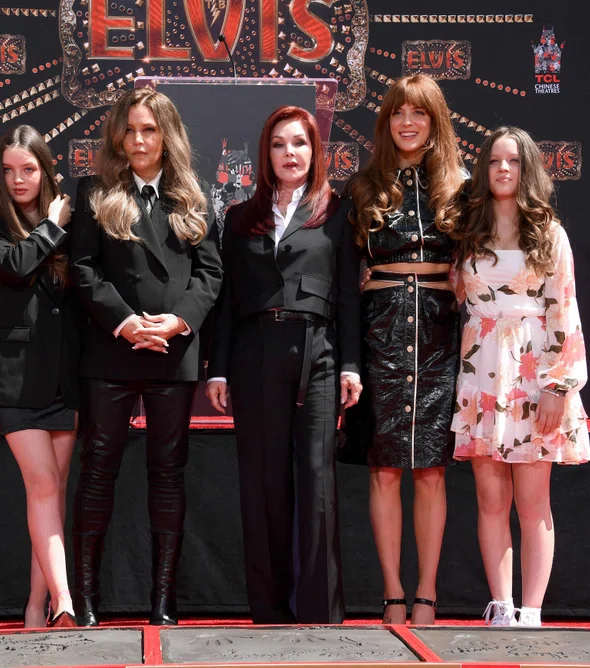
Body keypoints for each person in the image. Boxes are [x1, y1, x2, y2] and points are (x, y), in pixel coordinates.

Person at [69, 87, 222, 627]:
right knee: (97, 471)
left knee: (168, 474)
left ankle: (164, 602)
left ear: (167, 136)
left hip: (171, 354)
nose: (139, 140)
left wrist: (178, 321)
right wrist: (126, 322)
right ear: (118, 134)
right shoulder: (94, 192)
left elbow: (210, 275)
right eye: (130, 129)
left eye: (150, 130)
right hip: (112, 352)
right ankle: (84, 602)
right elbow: (83, 269)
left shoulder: (192, 198)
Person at [206, 106, 362, 624]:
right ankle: (269, 610)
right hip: (254, 353)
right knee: (263, 482)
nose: (289, 153)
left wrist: (350, 365)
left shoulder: (337, 212)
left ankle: (320, 610)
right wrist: (219, 369)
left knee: (317, 481)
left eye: (299, 143)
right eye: (278, 144)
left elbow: (346, 295)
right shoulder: (237, 218)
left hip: (316, 351)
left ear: (314, 151)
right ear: (264, 154)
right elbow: (225, 300)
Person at [451, 126, 590, 627]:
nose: (502, 169)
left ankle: (532, 611)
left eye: (512, 161)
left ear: (527, 168)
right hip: (481, 376)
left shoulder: (550, 234)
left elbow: (565, 311)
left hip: (535, 378)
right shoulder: (469, 231)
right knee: (491, 501)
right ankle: (502, 607)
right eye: (493, 161)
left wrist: (558, 386)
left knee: (533, 503)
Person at [341, 74, 467, 625]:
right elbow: (345, 272)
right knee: (386, 468)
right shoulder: (364, 187)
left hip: (443, 336)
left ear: (436, 121)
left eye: (419, 113)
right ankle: (392, 592)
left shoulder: (464, 191)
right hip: (382, 332)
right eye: (397, 113)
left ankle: (428, 594)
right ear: (386, 121)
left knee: (432, 470)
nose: (408, 122)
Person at [0, 124, 82, 628]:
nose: (19, 180)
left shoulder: (75, 224)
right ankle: (65, 601)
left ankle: (37, 606)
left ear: (46, 169)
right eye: (9, 171)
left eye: (29, 169)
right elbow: (16, 267)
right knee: (41, 486)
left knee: (54, 492)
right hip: (14, 378)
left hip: (64, 375)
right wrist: (52, 227)